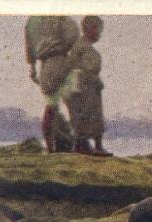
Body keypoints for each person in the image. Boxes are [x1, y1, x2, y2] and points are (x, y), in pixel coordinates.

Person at [24, 16, 80, 153]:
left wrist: (33, 68)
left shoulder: (31, 21)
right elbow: (73, 36)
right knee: (73, 105)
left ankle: (50, 149)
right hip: (62, 60)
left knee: (50, 107)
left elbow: (29, 47)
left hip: (45, 66)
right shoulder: (60, 16)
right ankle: (79, 145)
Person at [66, 16, 111, 156]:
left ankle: (84, 145)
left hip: (83, 86)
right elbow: (88, 68)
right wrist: (96, 81)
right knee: (89, 115)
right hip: (86, 86)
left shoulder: (81, 46)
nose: (99, 34)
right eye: (98, 30)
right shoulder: (83, 47)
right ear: (90, 29)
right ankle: (94, 147)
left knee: (86, 115)